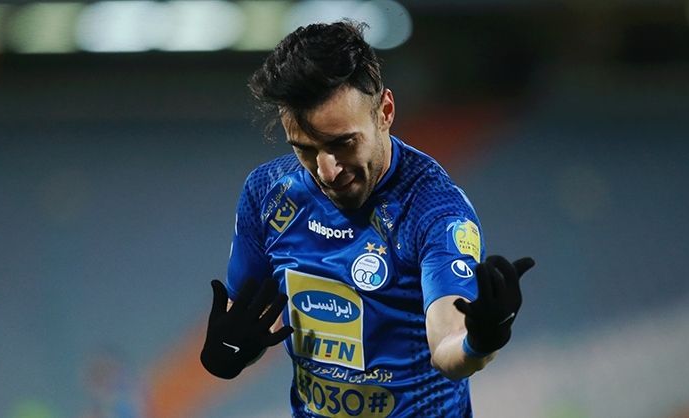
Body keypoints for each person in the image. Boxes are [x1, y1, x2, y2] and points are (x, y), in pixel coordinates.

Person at [200, 20, 535, 417]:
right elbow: (250, 321)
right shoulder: (267, 193)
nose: (326, 170)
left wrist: (480, 341)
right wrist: (231, 349)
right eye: (305, 149)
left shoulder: (434, 211)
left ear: (385, 112)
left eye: (342, 143)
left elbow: (448, 347)